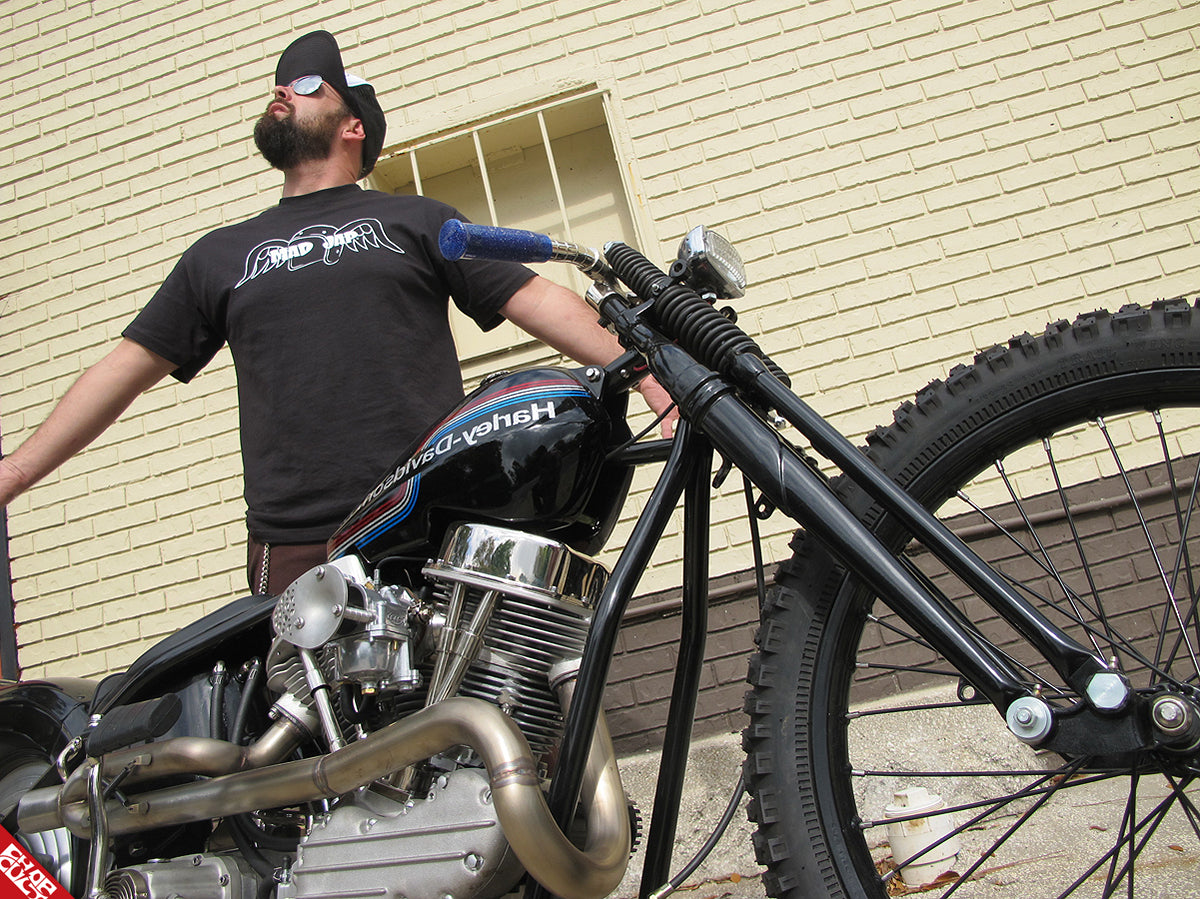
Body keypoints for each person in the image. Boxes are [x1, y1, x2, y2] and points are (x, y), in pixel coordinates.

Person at [0, 30, 673, 594]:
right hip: (297, 549)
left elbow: (538, 298)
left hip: (428, 516)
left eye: (307, 83)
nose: (282, 92)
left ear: (354, 125)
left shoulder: (417, 219)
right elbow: (124, 365)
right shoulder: (217, 255)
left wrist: (648, 380)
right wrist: (18, 470)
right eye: (280, 86)